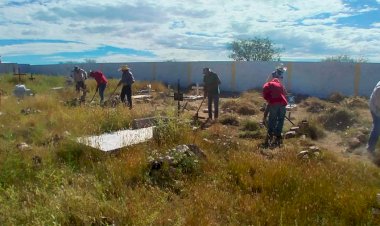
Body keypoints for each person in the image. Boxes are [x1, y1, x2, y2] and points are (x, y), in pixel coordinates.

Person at [262, 67, 288, 147]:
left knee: (272, 119)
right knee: (280, 119)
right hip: (282, 104)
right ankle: (278, 134)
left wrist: (268, 99)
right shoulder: (280, 85)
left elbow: (264, 91)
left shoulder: (269, 84)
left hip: (274, 103)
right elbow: (285, 93)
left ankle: (270, 134)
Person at [367, 81, 380, 156]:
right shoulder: (379, 90)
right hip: (376, 109)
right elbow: (378, 105)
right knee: (377, 127)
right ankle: (370, 149)